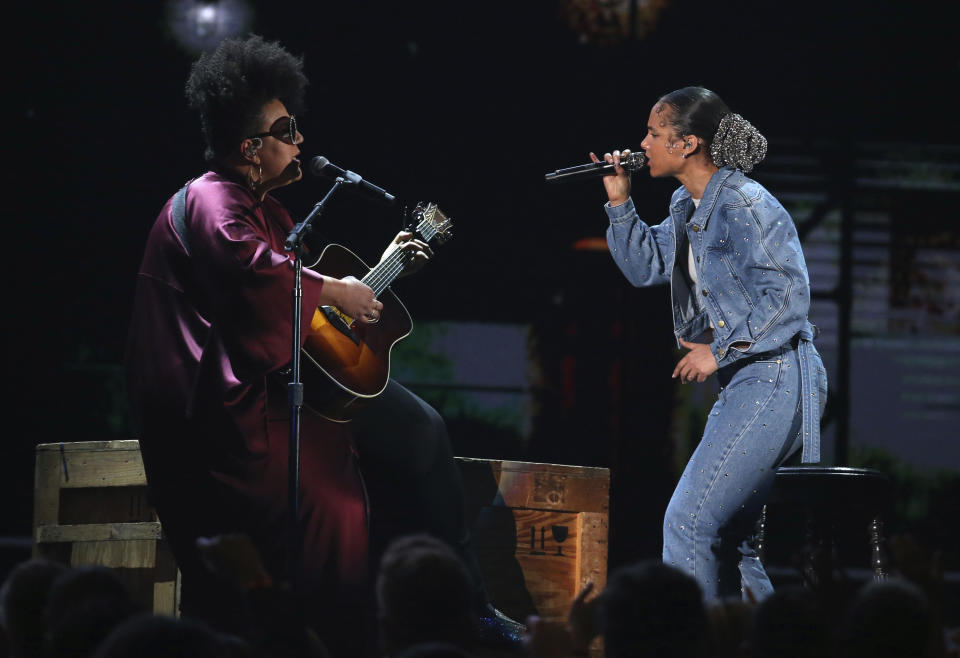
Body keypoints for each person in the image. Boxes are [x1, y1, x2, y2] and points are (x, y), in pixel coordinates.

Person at [124, 34, 521, 657]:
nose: (300, 139)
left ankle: (462, 606)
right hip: (227, 418)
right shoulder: (211, 201)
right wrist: (337, 290)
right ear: (250, 149)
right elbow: (262, 281)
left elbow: (299, 314)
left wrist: (377, 275)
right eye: (285, 129)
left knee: (418, 431)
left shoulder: (264, 208)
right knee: (336, 507)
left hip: (275, 387)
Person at [591, 86, 828, 603]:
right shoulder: (686, 203)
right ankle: (768, 641)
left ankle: (690, 643)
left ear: (687, 143)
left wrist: (717, 351)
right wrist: (619, 201)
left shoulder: (744, 203)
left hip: (775, 376)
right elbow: (646, 267)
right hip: (749, 379)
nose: (643, 143)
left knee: (689, 521)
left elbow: (789, 295)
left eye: (654, 133)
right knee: (729, 541)